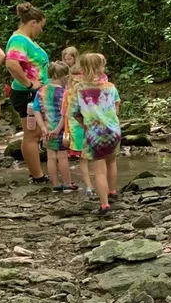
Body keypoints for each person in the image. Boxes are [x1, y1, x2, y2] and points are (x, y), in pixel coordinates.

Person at [67, 53, 121, 215]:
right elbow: (116, 107)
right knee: (111, 161)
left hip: (94, 133)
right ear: (101, 68)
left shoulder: (78, 89)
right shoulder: (110, 87)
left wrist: (85, 123)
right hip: (113, 130)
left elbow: (74, 112)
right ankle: (112, 191)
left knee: (99, 170)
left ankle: (104, 204)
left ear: (82, 69)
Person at [4, 2, 50, 183]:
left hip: (33, 93)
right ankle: (37, 176)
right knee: (32, 134)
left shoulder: (25, 40)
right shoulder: (18, 40)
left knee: (35, 133)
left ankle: (36, 173)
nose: (41, 30)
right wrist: (30, 84)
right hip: (27, 94)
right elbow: (11, 63)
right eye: (41, 26)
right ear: (33, 22)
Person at [32, 61, 74, 191]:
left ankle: (55, 185)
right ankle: (67, 184)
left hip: (47, 128)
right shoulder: (64, 93)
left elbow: (36, 110)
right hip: (61, 129)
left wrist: (43, 128)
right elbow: (65, 113)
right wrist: (58, 129)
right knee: (62, 157)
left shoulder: (40, 91)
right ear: (65, 77)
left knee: (51, 157)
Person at [60, 47, 96, 197]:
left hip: (91, 129)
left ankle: (98, 184)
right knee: (84, 159)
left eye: (79, 78)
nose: (76, 81)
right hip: (78, 130)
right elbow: (65, 114)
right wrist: (64, 131)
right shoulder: (68, 93)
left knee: (94, 159)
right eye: (74, 79)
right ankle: (89, 186)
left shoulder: (90, 89)